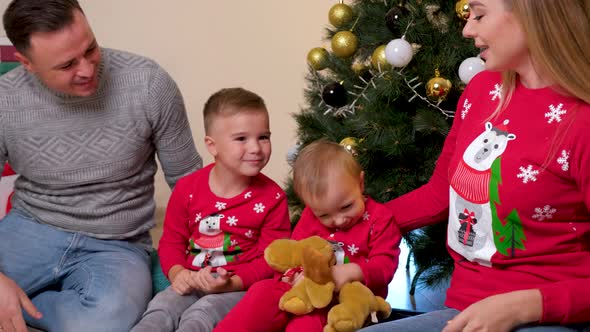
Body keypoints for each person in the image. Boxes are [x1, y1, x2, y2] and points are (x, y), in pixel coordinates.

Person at [360, 1, 590, 331]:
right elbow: (439, 196)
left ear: (532, 16)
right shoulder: (481, 91)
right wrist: (357, 227)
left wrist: (527, 305)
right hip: (465, 311)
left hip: (551, 317)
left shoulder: (582, 120)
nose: (467, 29)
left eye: (480, 15)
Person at [0, 0, 202, 331]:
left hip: (116, 243)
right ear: (26, 63)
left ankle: (24, 303)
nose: (87, 70)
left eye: (90, 48)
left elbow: (189, 182)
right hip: (30, 229)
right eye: (66, 65)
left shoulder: (149, 83)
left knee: (106, 319)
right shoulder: (4, 100)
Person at [130, 87, 291, 332]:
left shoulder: (273, 197)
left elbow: (271, 260)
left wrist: (232, 283)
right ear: (212, 145)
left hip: (236, 289)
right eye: (241, 139)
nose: (256, 148)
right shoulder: (188, 188)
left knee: (201, 316)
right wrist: (177, 273)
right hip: (193, 279)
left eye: (263, 137)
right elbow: (172, 241)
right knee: (161, 308)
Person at [214, 140, 401, 332]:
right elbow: (295, 252)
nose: (338, 220)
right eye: (324, 215)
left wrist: (352, 271)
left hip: (347, 301)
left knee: (305, 325)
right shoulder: (310, 217)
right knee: (262, 292)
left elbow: (385, 266)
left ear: (360, 183)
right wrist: (291, 276)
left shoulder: (380, 219)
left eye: (347, 207)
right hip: (306, 289)